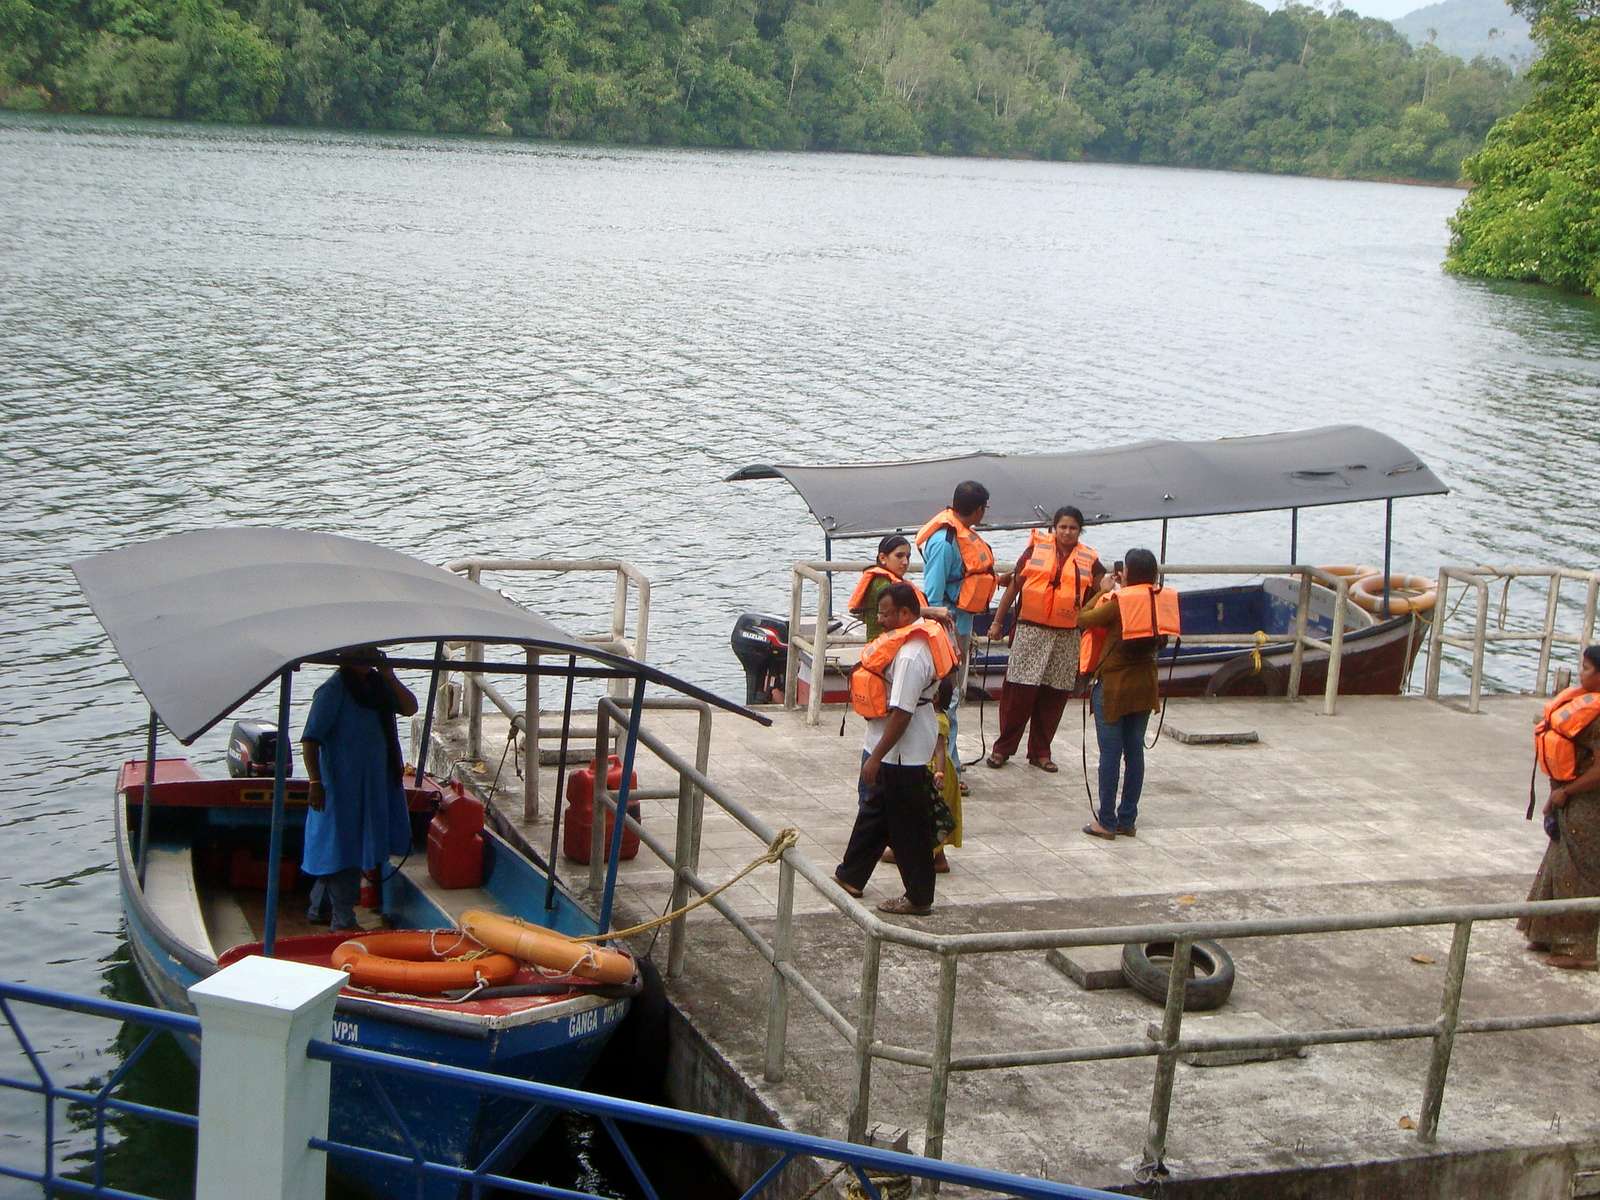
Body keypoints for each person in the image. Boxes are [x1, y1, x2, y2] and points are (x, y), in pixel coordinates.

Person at [835, 583, 958, 915]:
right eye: (879, 612)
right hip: (894, 745)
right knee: (876, 812)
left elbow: (903, 712)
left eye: (886, 613)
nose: (881, 619)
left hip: (903, 751)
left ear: (906, 613)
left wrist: (875, 757)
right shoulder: (912, 639)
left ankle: (919, 897)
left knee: (909, 827)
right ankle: (851, 875)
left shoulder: (911, 655)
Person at [301, 646, 419, 931]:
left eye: (372, 652)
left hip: (374, 782)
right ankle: (343, 921)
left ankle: (320, 907)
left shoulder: (378, 686)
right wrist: (315, 782)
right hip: (341, 785)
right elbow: (310, 740)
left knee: (348, 844)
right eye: (362, 652)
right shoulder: (333, 690)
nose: (368, 658)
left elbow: (409, 707)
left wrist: (389, 675)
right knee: (342, 847)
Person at [983, 507, 1103, 773]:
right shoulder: (1034, 551)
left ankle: (1041, 751)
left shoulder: (1090, 559)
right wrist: (997, 621)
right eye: (1062, 527)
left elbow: (1101, 590)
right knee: (1018, 693)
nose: (1067, 532)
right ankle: (1002, 749)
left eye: (1072, 528)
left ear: (1079, 531)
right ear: (1054, 528)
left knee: (1055, 693)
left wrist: (1086, 614)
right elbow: (1014, 586)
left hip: (1066, 635)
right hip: (1031, 631)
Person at [1077, 549, 1180, 840]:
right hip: (1146, 683)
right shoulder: (1160, 599)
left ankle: (1106, 822)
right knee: (1135, 751)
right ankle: (1127, 819)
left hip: (1114, 685)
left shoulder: (1118, 602)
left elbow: (1083, 619)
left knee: (1110, 754)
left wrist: (1102, 591)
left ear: (1127, 573)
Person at [916, 481, 1005, 788]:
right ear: (980, 510)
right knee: (947, 699)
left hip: (962, 627)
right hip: (948, 632)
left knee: (953, 698)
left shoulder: (960, 536)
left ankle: (949, 761)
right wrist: (941, 633)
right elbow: (933, 594)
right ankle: (948, 767)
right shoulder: (944, 541)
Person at [1518, 645, 1600, 970]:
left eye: (1587, 669)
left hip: (1589, 802)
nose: (1581, 674)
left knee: (1580, 870)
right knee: (1557, 860)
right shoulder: (1584, 705)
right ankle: (1544, 930)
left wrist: (1565, 794)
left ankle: (1579, 950)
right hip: (1568, 794)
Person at [846, 534, 935, 640]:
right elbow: (902, 613)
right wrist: (935, 611)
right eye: (899, 556)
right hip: (885, 645)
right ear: (883, 558)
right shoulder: (882, 585)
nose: (905, 562)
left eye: (908, 556)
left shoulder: (887, 580)